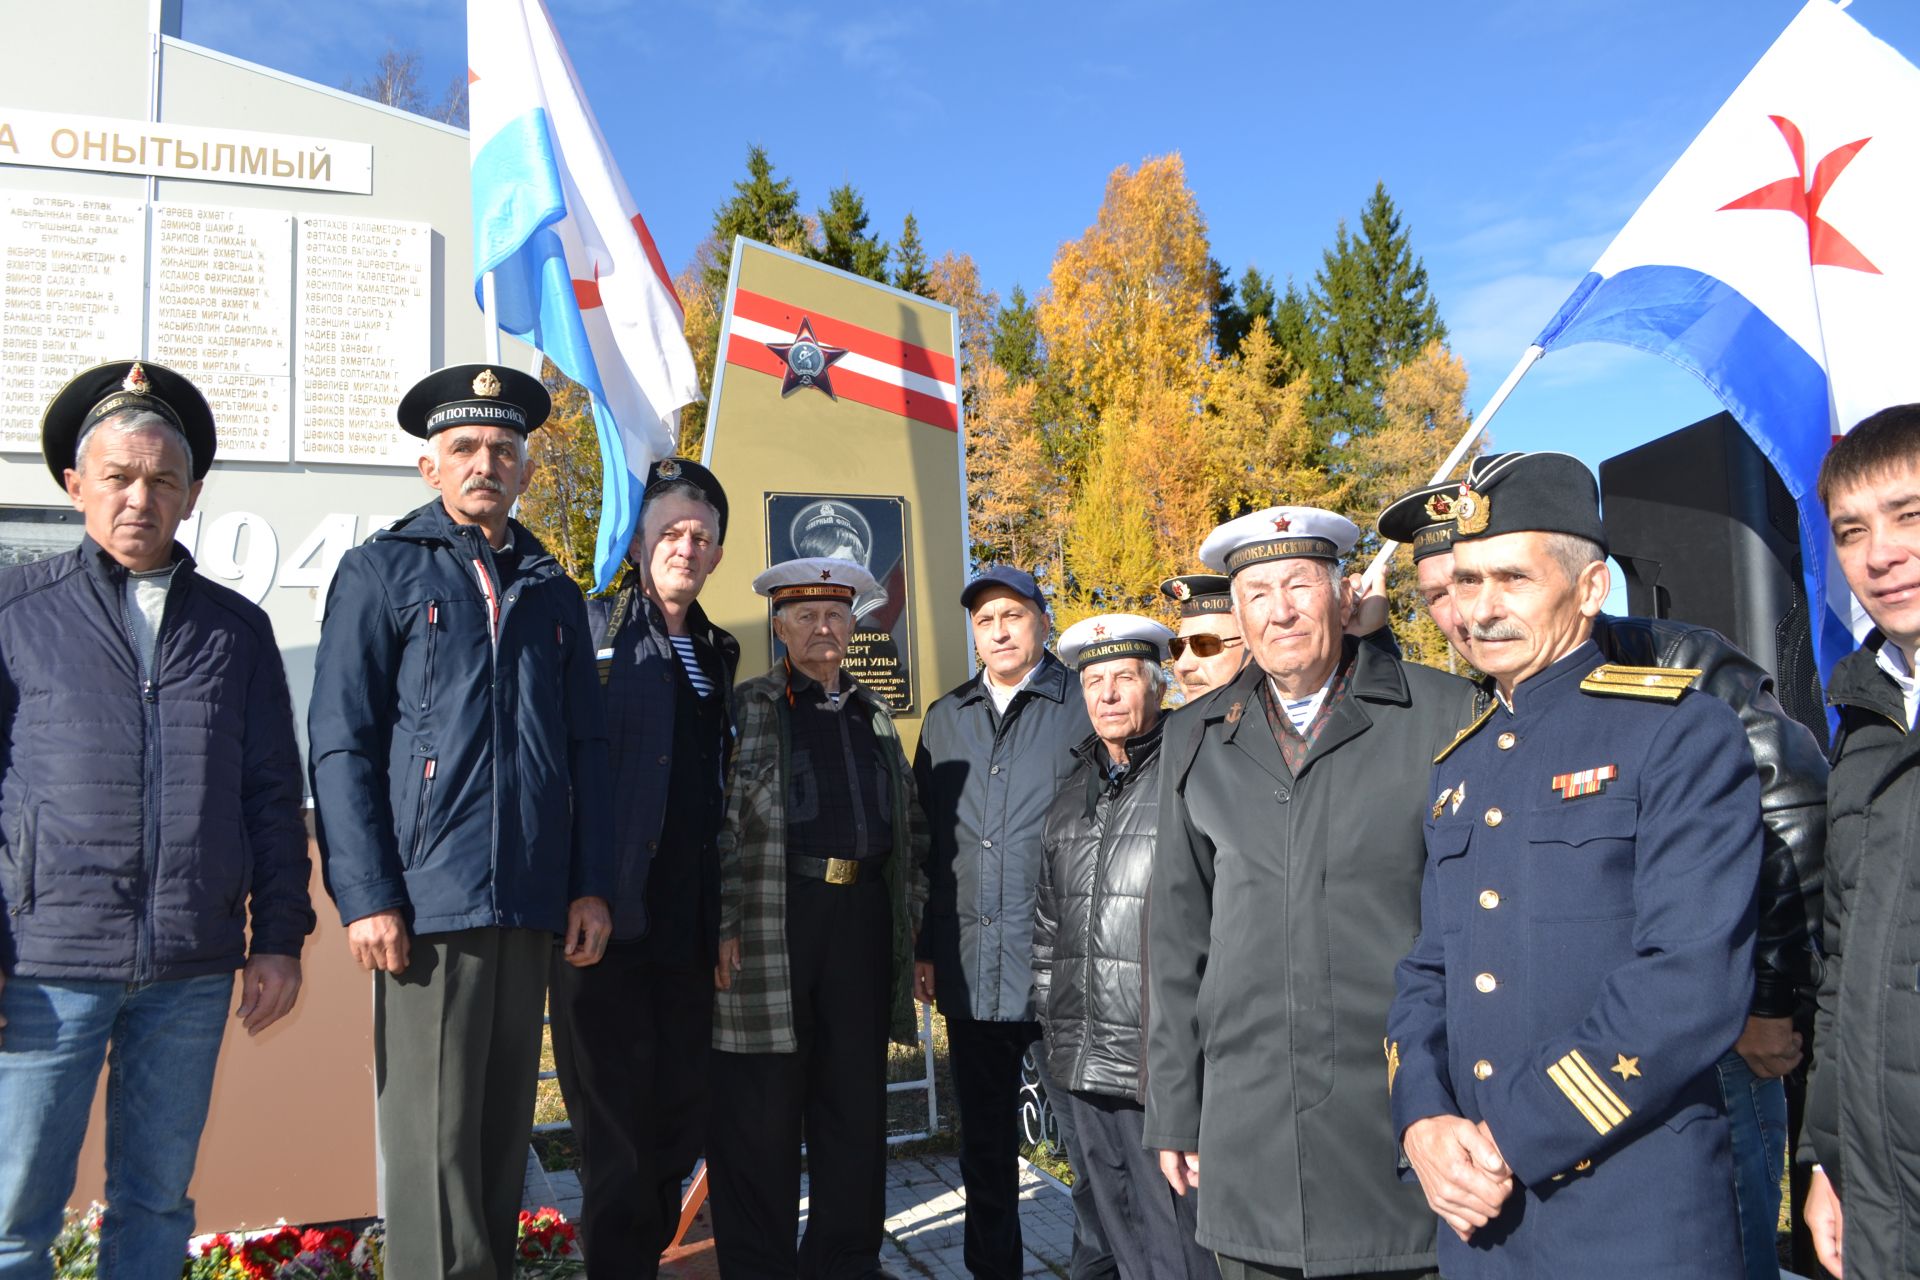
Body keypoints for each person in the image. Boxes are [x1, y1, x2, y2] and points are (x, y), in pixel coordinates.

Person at [1381, 465, 1826, 1280]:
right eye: (1468, 580)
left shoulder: (1677, 731)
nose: (1481, 609)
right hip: (1478, 1217)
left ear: (1589, 587)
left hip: (1627, 1211)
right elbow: (1428, 970)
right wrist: (1422, 1120)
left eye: (1514, 577)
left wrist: (1509, 1135)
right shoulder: (1462, 764)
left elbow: (1686, 984)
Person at [0, 360, 313, 1276]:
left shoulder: (236, 630)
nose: (140, 497)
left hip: (189, 969)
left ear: (191, 494)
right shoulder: (15, 612)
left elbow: (268, 793)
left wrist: (280, 938)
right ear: (74, 485)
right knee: (15, 1213)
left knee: (155, 1204)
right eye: (118, 476)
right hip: (45, 967)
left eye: (162, 480)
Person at [308, 364, 614, 1280]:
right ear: (429, 467)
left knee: (493, 1148)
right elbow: (341, 745)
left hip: (528, 905)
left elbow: (586, 753)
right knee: (432, 1153)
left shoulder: (552, 588)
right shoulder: (380, 571)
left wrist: (589, 883)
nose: (486, 462)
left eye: (504, 450)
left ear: (525, 469)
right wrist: (366, 894)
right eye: (466, 448)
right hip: (424, 910)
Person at [1145, 506, 1479, 1280]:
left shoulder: (1445, 716)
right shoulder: (1195, 736)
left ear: (1342, 596)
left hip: (1399, 1126)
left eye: (1299, 584)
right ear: (1237, 613)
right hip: (1248, 1127)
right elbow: (1175, 940)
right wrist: (1172, 1106)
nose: (1281, 610)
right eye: (1257, 593)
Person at [706, 556, 929, 1279]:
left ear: (853, 626)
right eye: (806, 616)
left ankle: (844, 1260)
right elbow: (719, 824)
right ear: (779, 627)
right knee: (762, 1113)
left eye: (835, 615)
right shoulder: (750, 706)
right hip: (776, 921)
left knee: (853, 1104)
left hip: (861, 920)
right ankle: (759, 1267)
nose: (823, 628)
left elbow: (909, 826)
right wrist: (723, 924)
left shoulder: (874, 715)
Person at [550, 457, 738, 1278]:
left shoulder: (719, 651)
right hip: (603, 922)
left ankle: (644, 1260)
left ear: (718, 554)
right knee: (616, 1136)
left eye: (702, 537)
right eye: (671, 532)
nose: (685, 548)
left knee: (678, 1121)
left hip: (688, 933)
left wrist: (724, 920)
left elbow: (721, 797)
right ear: (637, 542)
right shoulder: (586, 630)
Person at [913, 565, 1115, 1279]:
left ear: (1041, 620)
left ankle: (1101, 1269)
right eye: (985, 620)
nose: (998, 631)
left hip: (1064, 966)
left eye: (1012, 616)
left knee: (1090, 1147)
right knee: (986, 1150)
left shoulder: (1082, 704)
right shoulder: (946, 717)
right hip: (971, 966)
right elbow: (927, 841)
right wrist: (925, 948)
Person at [1034, 614, 1217, 1280]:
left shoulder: (1192, 772)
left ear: (1156, 687)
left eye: (1123, 678)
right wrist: (1051, 1028)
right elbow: (1049, 924)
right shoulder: (1071, 791)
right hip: (1081, 1065)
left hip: (1156, 1065)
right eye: (1093, 681)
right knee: (1116, 1235)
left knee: (1181, 1247)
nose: (1107, 695)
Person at [1801, 403, 1920, 1278]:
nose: (1879, 554)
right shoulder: (1866, 720)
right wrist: (1829, 1161)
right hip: (1882, 1203)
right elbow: (1845, 969)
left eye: (1910, 515)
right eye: (1852, 531)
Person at [1160, 574, 1247, 700]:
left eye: (1205, 645)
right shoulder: (1180, 720)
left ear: (1252, 645)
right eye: (1177, 648)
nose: (1181, 666)